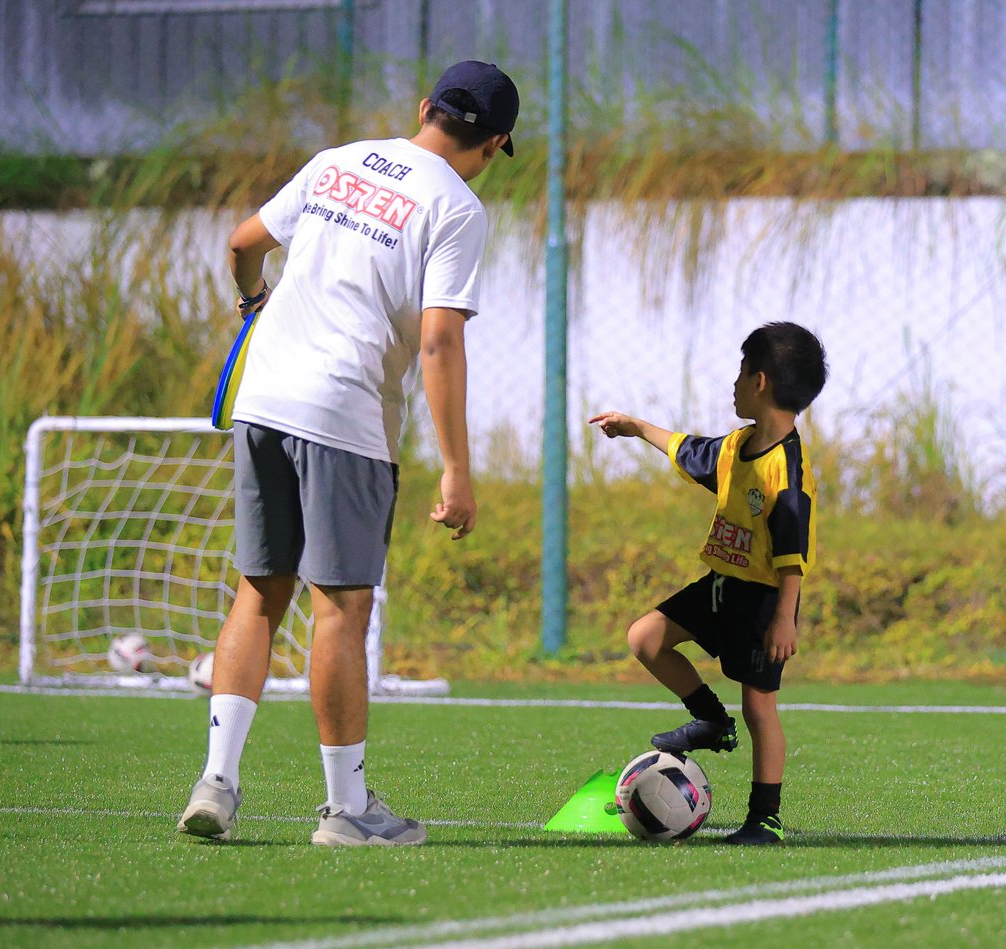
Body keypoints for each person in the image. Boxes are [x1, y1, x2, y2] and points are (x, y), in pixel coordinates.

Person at [176, 61, 519, 846]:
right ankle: (347, 810)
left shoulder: (338, 162)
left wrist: (256, 298)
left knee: (257, 594)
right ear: (495, 142)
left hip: (265, 396)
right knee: (341, 608)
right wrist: (458, 468)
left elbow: (241, 244)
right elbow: (438, 339)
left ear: (426, 108)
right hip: (345, 411)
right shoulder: (458, 209)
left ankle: (217, 782)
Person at [589, 322, 827, 845]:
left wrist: (786, 617)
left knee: (760, 707)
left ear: (759, 381)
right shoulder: (735, 447)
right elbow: (685, 447)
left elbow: (793, 555)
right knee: (644, 638)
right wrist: (635, 426)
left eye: (740, 373)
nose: (734, 383)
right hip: (721, 587)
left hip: (764, 602)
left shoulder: (786, 470)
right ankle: (712, 723)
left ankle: (765, 818)